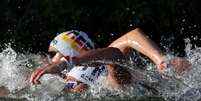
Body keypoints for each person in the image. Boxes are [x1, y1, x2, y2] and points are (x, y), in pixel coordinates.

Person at [30, 28, 192, 93]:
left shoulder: (81, 70)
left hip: (120, 87)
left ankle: (163, 62)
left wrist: (65, 63)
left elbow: (114, 54)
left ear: (69, 54)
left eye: (55, 54)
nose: (52, 60)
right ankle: (162, 61)